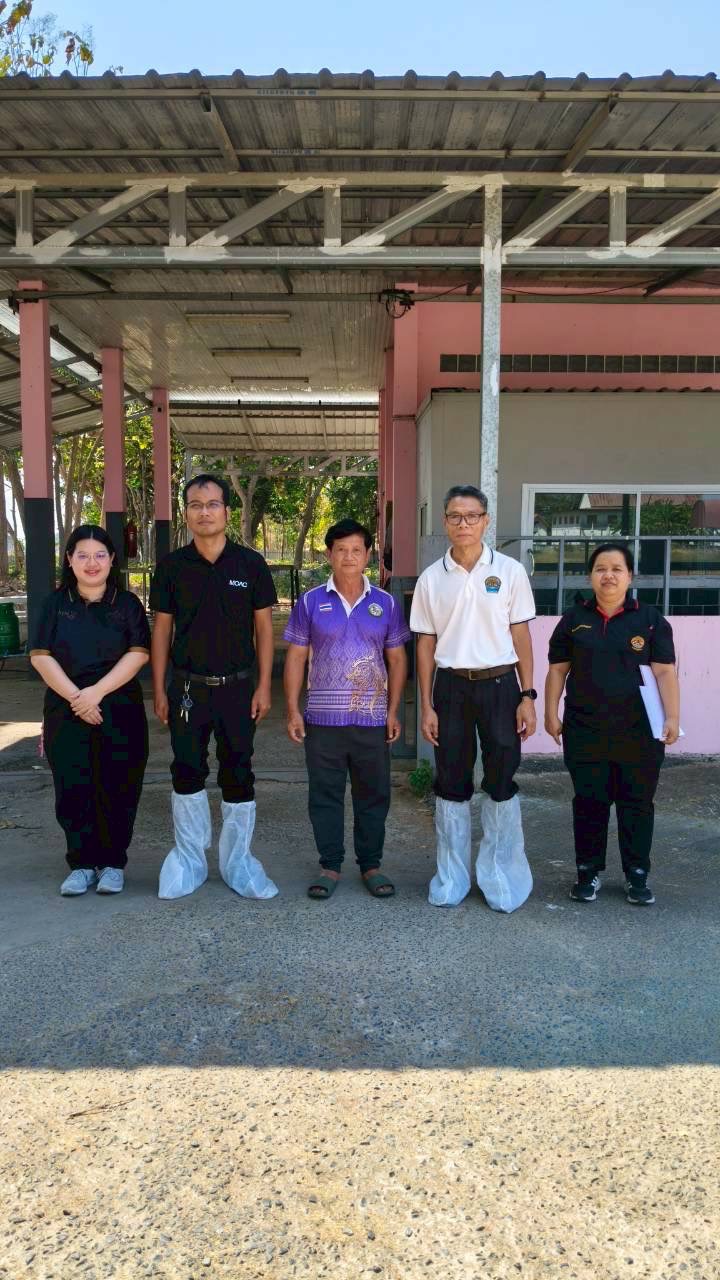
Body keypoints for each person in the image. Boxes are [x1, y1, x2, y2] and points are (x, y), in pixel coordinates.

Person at [149, 474, 278, 901]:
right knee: (187, 768)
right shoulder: (171, 567)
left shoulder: (250, 564)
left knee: (238, 769)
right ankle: (189, 862)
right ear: (185, 513)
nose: (204, 512)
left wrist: (264, 685)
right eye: (195, 505)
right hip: (188, 688)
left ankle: (238, 863)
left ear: (226, 511)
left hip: (238, 688)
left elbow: (264, 629)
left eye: (212, 504)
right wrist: (160, 688)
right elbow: (162, 630)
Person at [409, 485, 537, 911]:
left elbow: (521, 636)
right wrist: (426, 704)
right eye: (455, 516)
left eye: (471, 516)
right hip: (451, 687)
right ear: (445, 521)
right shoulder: (431, 578)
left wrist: (528, 695)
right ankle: (452, 877)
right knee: (451, 780)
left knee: (501, 777)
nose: (463, 523)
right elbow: (425, 644)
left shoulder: (510, 571)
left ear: (485, 520)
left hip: (501, 686)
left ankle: (501, 877)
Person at [544, 541, 680, 906]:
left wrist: (672, 717)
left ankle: (637, 874)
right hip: (585, 730)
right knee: (590, 802)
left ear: (630, 576)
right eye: (601, 569)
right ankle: (587, 872)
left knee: (637, 803)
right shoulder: (573, 620)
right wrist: (550, 713)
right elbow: (557, 671)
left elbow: (665, 672)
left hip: (639, 732)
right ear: (590, 576)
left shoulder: (650, 620)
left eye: (617, 569)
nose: (608, 575)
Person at [283, 518, 410, 899]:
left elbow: (397, 660)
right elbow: (295, 657)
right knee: (325, 795)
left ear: (368, 555)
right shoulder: (310, 602)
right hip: (322, 720)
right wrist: (292, 709)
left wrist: (393, 710)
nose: (349, 557)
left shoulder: (386, 603)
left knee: (373, 795)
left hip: (371, 719)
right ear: (329, 555)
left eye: (356, 550)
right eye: (341, 550)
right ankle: (330, 866)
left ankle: (371, 865)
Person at [29, 525, 150, 896]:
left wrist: (96, 693)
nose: (91, 563)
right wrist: (77, 699)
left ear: (112, 559)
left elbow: (139, 653)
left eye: (100, 555)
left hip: (119, 707)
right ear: (69, 559)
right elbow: (40, 656)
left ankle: (113, 863)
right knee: (73, 786)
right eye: (82, 555)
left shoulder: (126, 604)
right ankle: (81, 864)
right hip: (66, 708)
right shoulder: (55, 604)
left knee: (119, 785)